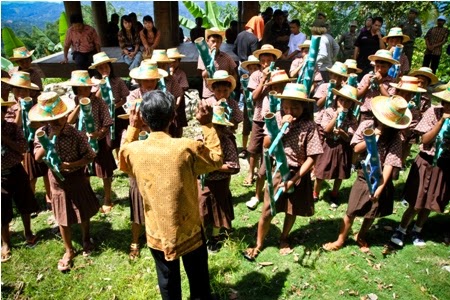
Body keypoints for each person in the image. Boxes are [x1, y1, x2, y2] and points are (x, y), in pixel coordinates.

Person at [119, 90, 222, 299]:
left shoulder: (134, 151)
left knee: (167, 281)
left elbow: (122, 159)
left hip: (157, 230)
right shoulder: (186, 148)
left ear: (143, 119)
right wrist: (207, 125)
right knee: (199, 278)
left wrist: (133, 128)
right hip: (189, 227)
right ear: (173, 117)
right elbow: (216, 159)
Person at [243, 83, 322, 261]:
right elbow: (266, 144)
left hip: (298, 172)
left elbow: (312, 157)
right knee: (267, 209)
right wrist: (280, 129)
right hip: (277, 169)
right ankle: (259, 244)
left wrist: (294, 179)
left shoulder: (310, 126)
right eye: (286, 106)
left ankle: (284, 237)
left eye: (295, 107)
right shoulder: (276, 119)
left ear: (304, 107)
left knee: (290, 209)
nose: (290, 111)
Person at [323, 95, 411, 252]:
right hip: (364, 175)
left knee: (372, 211)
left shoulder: (395, 138)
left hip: (381, 178)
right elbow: (356, 148)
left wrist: (379, 189)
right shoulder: (366, 125)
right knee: (352, 210)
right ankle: (340, 240)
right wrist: (374, 137)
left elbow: (389, 165)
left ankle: (361, 235)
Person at [31, 91, 99, 271]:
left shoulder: (75, 134)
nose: (57, 123)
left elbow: (90, 156)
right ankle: (68, 250)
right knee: (62, 215)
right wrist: (49, 140)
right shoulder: (42, 134)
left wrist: (73, 164)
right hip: (57, 181)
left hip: (77, 177)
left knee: (83, 210)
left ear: (66, 116)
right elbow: (37, 158)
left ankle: (86, 238)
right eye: (52, 121)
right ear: (46, 121)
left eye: (60, 119)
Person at [390, 87, 449, 248]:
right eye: (447, 103)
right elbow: (425, 140)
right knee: (417, 200)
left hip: (444, 164)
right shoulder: (433, 112)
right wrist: (442, 121)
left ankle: (417, 229)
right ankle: (401, 229)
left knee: (430, 200)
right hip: (426, 160)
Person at [65, 70, 116, 213]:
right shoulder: (73, 101)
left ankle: (107, 198)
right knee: (85, 171)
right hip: (80, 143)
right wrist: (78, 106)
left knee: (104, 170)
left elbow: (107, 122)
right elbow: (69, 121)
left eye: (86, 88)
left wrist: (99, 133)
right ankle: (88, 197)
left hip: (98, 141)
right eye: (80, 89)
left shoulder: (99, 102)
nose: (84, 91)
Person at [1, 71, 52, 209]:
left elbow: (45, 123)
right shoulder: (9, 109)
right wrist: (19, 112)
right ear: (12, 90)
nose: (21, 92)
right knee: (30, 174)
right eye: (17, 89)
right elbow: (12, 127)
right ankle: (31, 199)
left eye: (24, 89)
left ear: (30, 91)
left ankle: (49, 198)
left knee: (46, 170)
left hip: (40, 142)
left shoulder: (37, 105)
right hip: (23, 144)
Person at [243, 45, 282, 209]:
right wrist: (264, 80)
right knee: (254, 147)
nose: (266, 63)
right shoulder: (256, 75)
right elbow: (253, 97)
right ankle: (252, 172)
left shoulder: (279, 73)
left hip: (276, 118)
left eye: (269, 60)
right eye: (263, 61)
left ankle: (266, 174)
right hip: (260, 117)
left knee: (271, 149)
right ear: (259, 62)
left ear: (273, 60)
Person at [1, 98, 40, 263]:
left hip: (16, 170)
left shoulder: (12, 128)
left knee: (24, 203)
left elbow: (23, 148)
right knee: (3, 211)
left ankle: (28, 232)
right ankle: (5, 243)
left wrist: (4, 139)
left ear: (3, 113)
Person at [198, 104, 240, 253]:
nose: (213, 131)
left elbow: (234, 167)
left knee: (218, 210)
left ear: (222, 128)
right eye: (211, 126)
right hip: (202, 181)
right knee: (201, 208)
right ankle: (199, 235)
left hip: (220, 182)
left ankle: (215, 237)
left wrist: (214, 166)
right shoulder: (200, 140)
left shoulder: (227, 143)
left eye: (217, 127)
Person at [314, 86, 361, 207]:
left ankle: (334, 194)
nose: (344, 104)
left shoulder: (352, 118)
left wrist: (342, 133)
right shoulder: (329, 111)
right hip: (328, 145)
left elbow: (351, 137)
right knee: (321, 170)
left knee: (339, 172)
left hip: (342, 147)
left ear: (352, 104)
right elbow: (325, 130)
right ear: (336, 99)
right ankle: (315, 193)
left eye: (348, 101)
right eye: (341, 100)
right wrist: (336, 117)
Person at [90, 52, 130, 155]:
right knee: (108, 138)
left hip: (117, 111)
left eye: (106, 66)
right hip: (103, 114)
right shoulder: (93, 82)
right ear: (97, 70)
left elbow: (124, 98)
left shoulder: (117, 81)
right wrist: (103, 83)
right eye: (101, 68)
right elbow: (94, 99)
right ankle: (111, 158)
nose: (104, 70)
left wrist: (115, 106)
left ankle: (120, 156)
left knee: (120, 135)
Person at [150, 50, 186, 138]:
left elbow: (179, 93)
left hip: (169, 113)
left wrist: (175, 107)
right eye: (159, 64)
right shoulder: (149, 80)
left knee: (173, 133)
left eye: (164, 64)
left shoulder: (171, 79)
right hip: (154, 113)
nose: (161, 67)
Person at [357, 49, 398, 122]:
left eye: (383, 67)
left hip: (381, 115)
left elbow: (389, 100)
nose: (379, 69)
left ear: (389, 66)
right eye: (377, 66)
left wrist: (380, 84)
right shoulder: (367, 77)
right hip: (365, 113)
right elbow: (357, 95)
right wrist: (367, 85)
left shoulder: (392, 81)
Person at [198, 27, 237, 99]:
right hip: (209, 94)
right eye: (213, 41)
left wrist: (230, 88)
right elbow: (203, 75)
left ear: (221, 42)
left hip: (224, 94)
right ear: (207, 41)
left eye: (218, 42)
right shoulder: (203, 57)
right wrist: (210, 62)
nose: (215, 44)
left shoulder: (226, 57)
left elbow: (233, 73)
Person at [239, 55, 261, 159]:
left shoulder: (259, 77)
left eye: (255, 68)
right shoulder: (245, 78)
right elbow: (242, 90)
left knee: (255, 128)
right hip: (247, 106)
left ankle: (254, 148)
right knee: (246, 127)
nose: (253, 70)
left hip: (257, 106)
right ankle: (244, 148)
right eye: (250, 68)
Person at [168, 47, 190, 137]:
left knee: (179, 122)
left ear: (179, 62)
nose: (172, 63)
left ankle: (179, 137)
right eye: (170, 61)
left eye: (175, 61)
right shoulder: (163, 73)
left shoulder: (181, 74)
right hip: (167, 100)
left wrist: (177, 104)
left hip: (178, 100)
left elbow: (182, 89)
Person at [312, 19, 340, 83]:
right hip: (329, 66)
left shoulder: (321, 38)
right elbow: (337, 47)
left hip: (322, 69)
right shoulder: (328, 36)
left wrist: (313, 62)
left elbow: (323, 54)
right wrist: (332, 57)